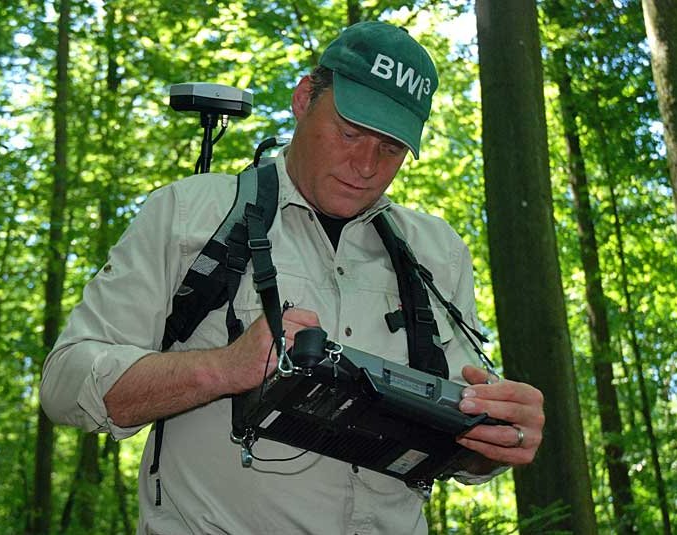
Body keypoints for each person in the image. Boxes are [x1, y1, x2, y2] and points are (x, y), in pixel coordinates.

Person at [41, 21, 544, 535]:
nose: (366, 165)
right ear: (304, 98)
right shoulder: (191, 213)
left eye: (391, 148)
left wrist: (497, 440)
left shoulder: (437, 254)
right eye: (349, 132)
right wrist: (221, 370)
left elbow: (461, 449)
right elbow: (64, 384)